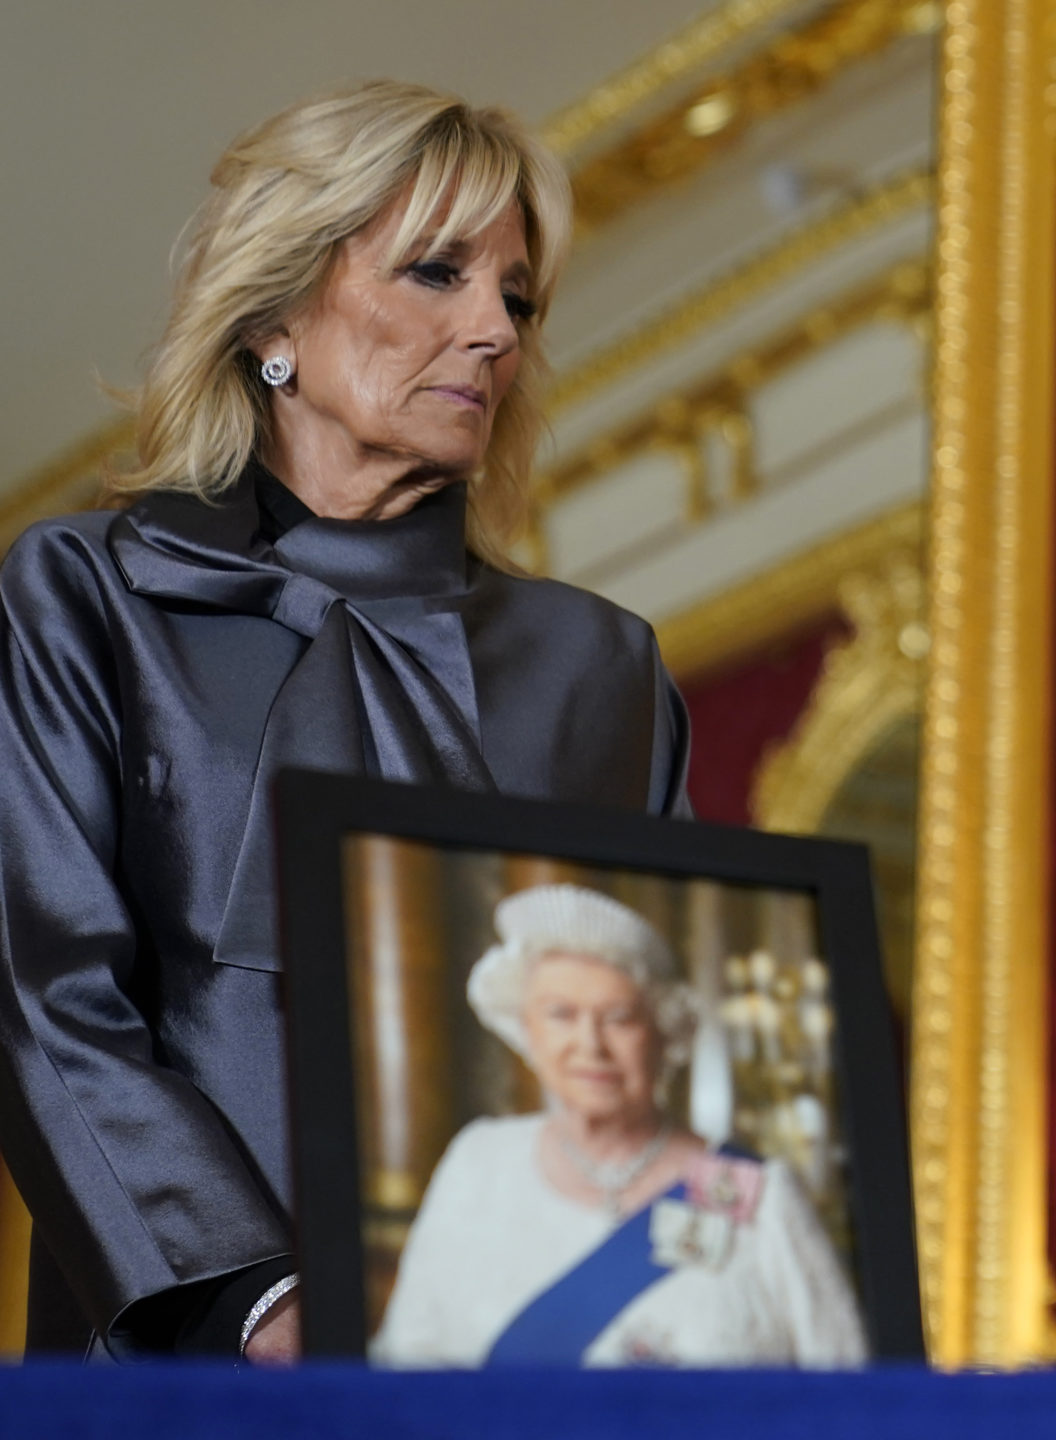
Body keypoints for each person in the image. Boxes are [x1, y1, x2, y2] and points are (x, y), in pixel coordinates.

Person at [0, 82, 690, 1363]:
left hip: (528, 1365)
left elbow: (657, 1037)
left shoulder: (603, 668)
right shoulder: (79, 596)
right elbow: (41, 994)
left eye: (518, 300)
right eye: (435, 273)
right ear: (274, 315)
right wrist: (260, 1302)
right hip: (182, 1359)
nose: (492, 330)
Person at [373, 885, 864, 1368]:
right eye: (561, 1014)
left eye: (620, 1018)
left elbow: (851, 1395)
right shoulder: (478, 1163)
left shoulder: (759, 1195)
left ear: (663, 1032)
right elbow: (406, 1360)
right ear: (529, 1030)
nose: (591, 1044)